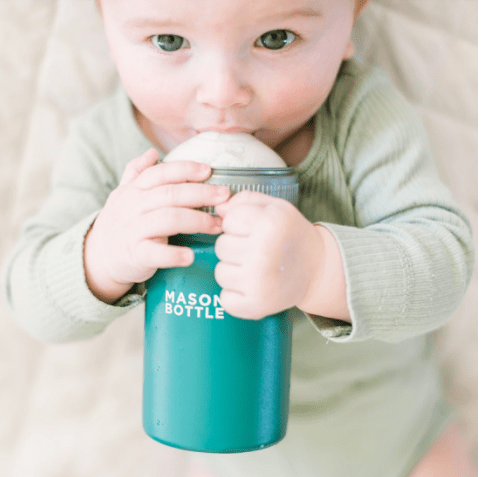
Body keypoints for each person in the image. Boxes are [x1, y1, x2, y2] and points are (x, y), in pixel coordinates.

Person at [4, 0, 475, 475]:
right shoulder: (110, 146)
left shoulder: (358, 118)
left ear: (351, 19)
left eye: (276, 38)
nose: (222, 93)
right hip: (225, 453)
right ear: (105, 27)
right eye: (170, 41)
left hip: (402, 440)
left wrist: (317, 268)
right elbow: (28, 295)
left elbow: (444, 263)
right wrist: (100, 255)